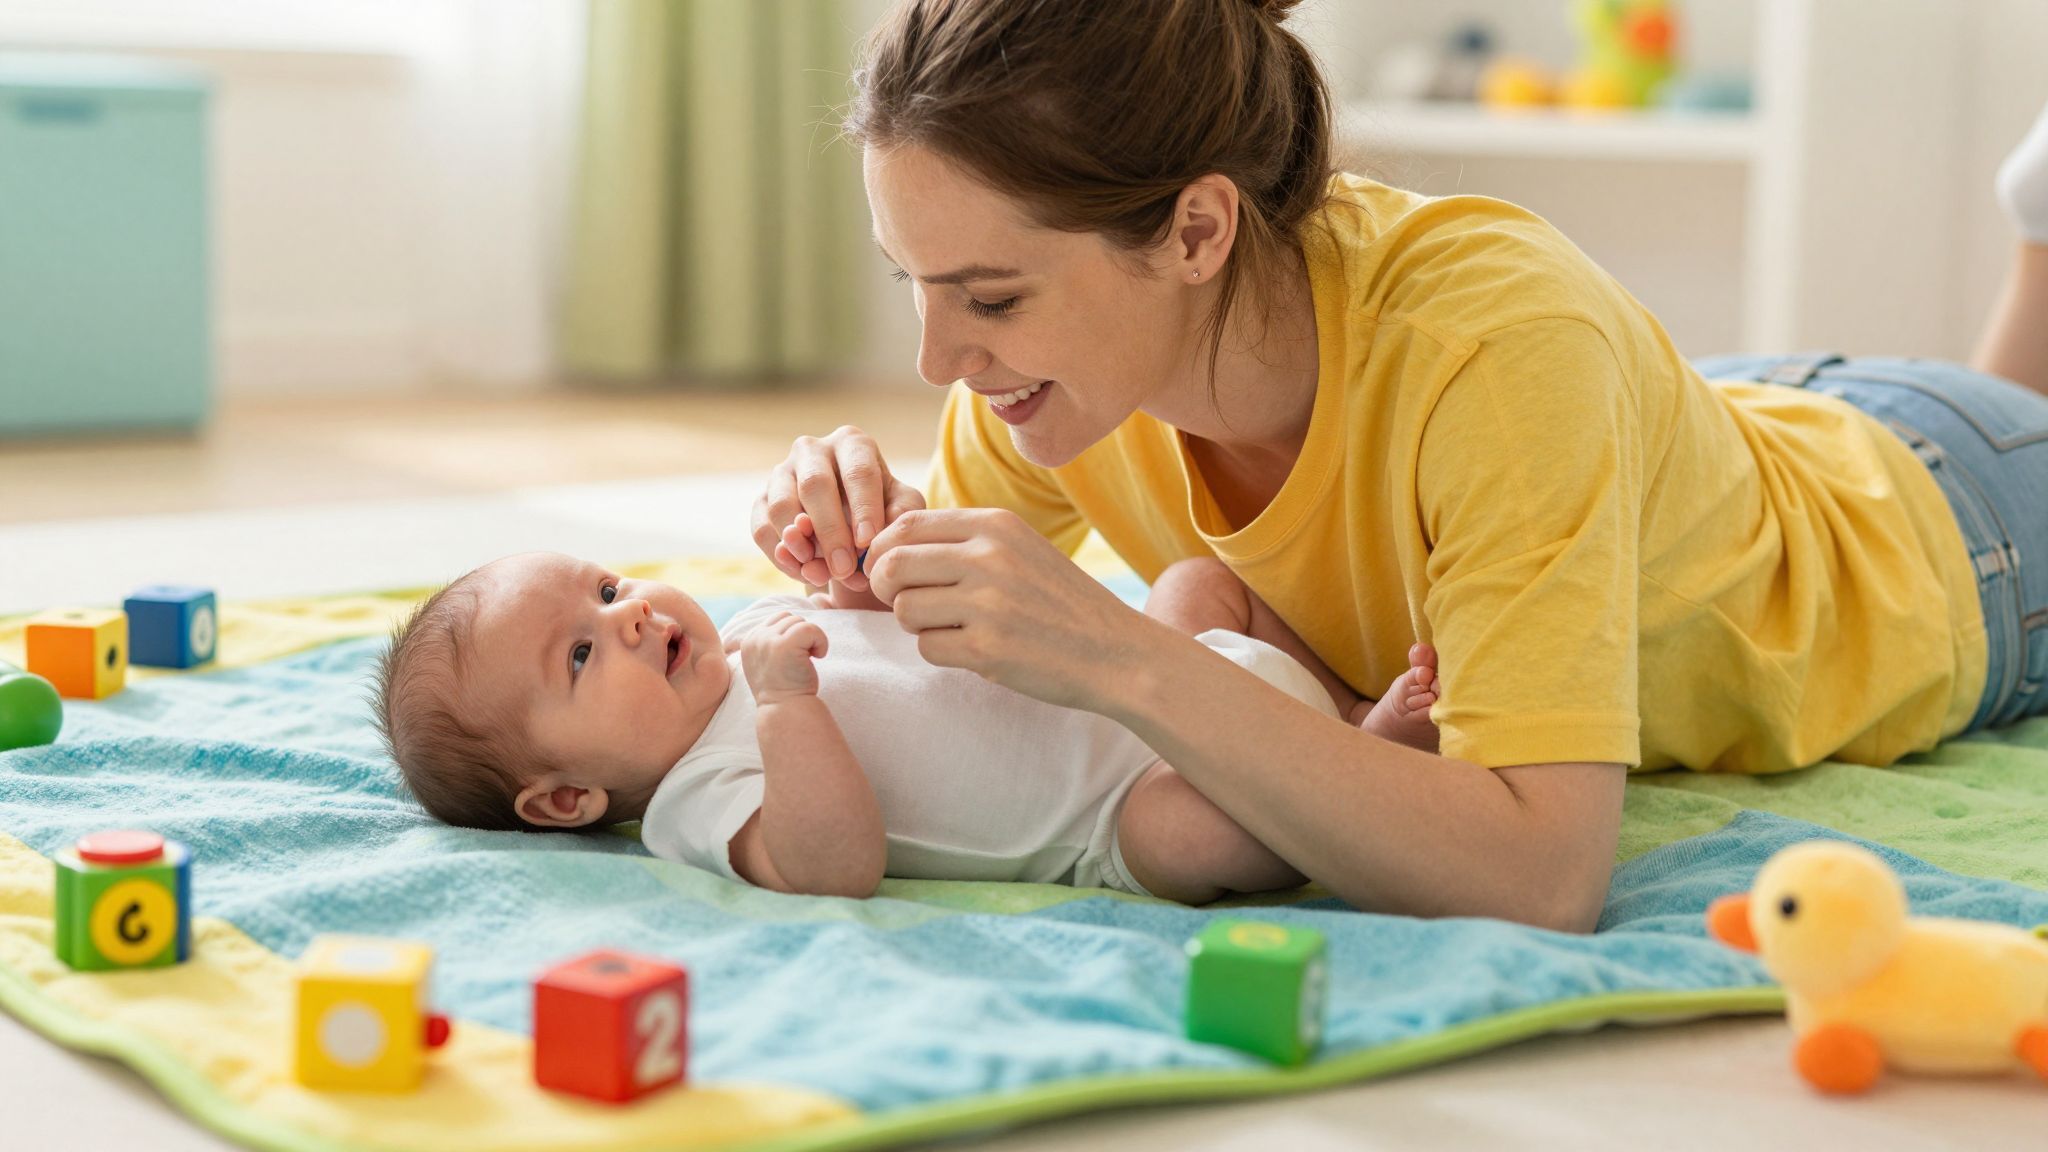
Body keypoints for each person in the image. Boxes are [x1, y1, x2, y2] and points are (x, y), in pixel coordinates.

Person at [751, 0, 2048, 932]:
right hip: (1742, 421)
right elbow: (972, 682)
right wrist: (866, 557)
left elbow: (1538, 880)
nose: (935, 360)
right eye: (912, 286)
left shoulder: (1492, 340)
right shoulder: (1056, 386)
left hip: (1954, 537)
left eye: (986, 296)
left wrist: (1122, 653)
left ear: (1198, 229)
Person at [370, 550, 1440, 903]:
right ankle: (1363, 757)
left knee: (1198, 580)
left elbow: (908, 630)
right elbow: (832, 863)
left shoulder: (751, 625)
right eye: (580, 653)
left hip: (1139, 671)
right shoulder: (695, 803)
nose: (631, 614)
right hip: (1116, 802)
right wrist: (786, 703)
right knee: (1188, 843)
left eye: (604, 588)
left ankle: (1334, 709)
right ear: (566, 800)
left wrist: (860, 574)